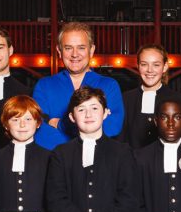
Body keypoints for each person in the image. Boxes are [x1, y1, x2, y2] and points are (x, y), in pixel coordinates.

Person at [32, 22, 124, 150]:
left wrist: (61, 124)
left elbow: (113, 126)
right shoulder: (44, 86)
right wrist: (72, 148)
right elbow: (38, 130)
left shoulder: (109, 85)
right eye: (68, 48)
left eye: (81, 48)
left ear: (91, 50)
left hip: (98, 157)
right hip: (55, 158)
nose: (75, 54)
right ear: (59, 51)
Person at [118, 44, 181, 148]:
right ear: (138, 66)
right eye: (144, 64)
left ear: (165, 67)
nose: (150, 70)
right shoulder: (125, 99)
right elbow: (120, 141)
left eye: (156, 65)